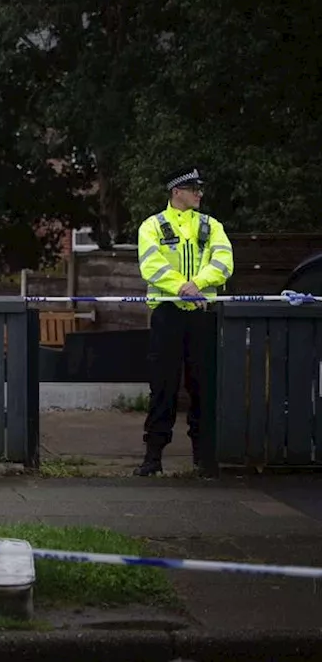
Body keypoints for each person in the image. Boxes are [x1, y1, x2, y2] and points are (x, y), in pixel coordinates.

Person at [133, 167, 234, 477]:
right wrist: (182, 288)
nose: (199, 194)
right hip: (168, 313)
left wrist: (197, 284)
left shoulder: (212, 225)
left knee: (204, 386)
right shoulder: (152, 226)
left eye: (199, 188)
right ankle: (153, 457)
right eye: (193, 188)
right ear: (177, 191)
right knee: (162, 386)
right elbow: (152, 265)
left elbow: (224, 261)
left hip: (202, 315)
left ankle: (204, 459)